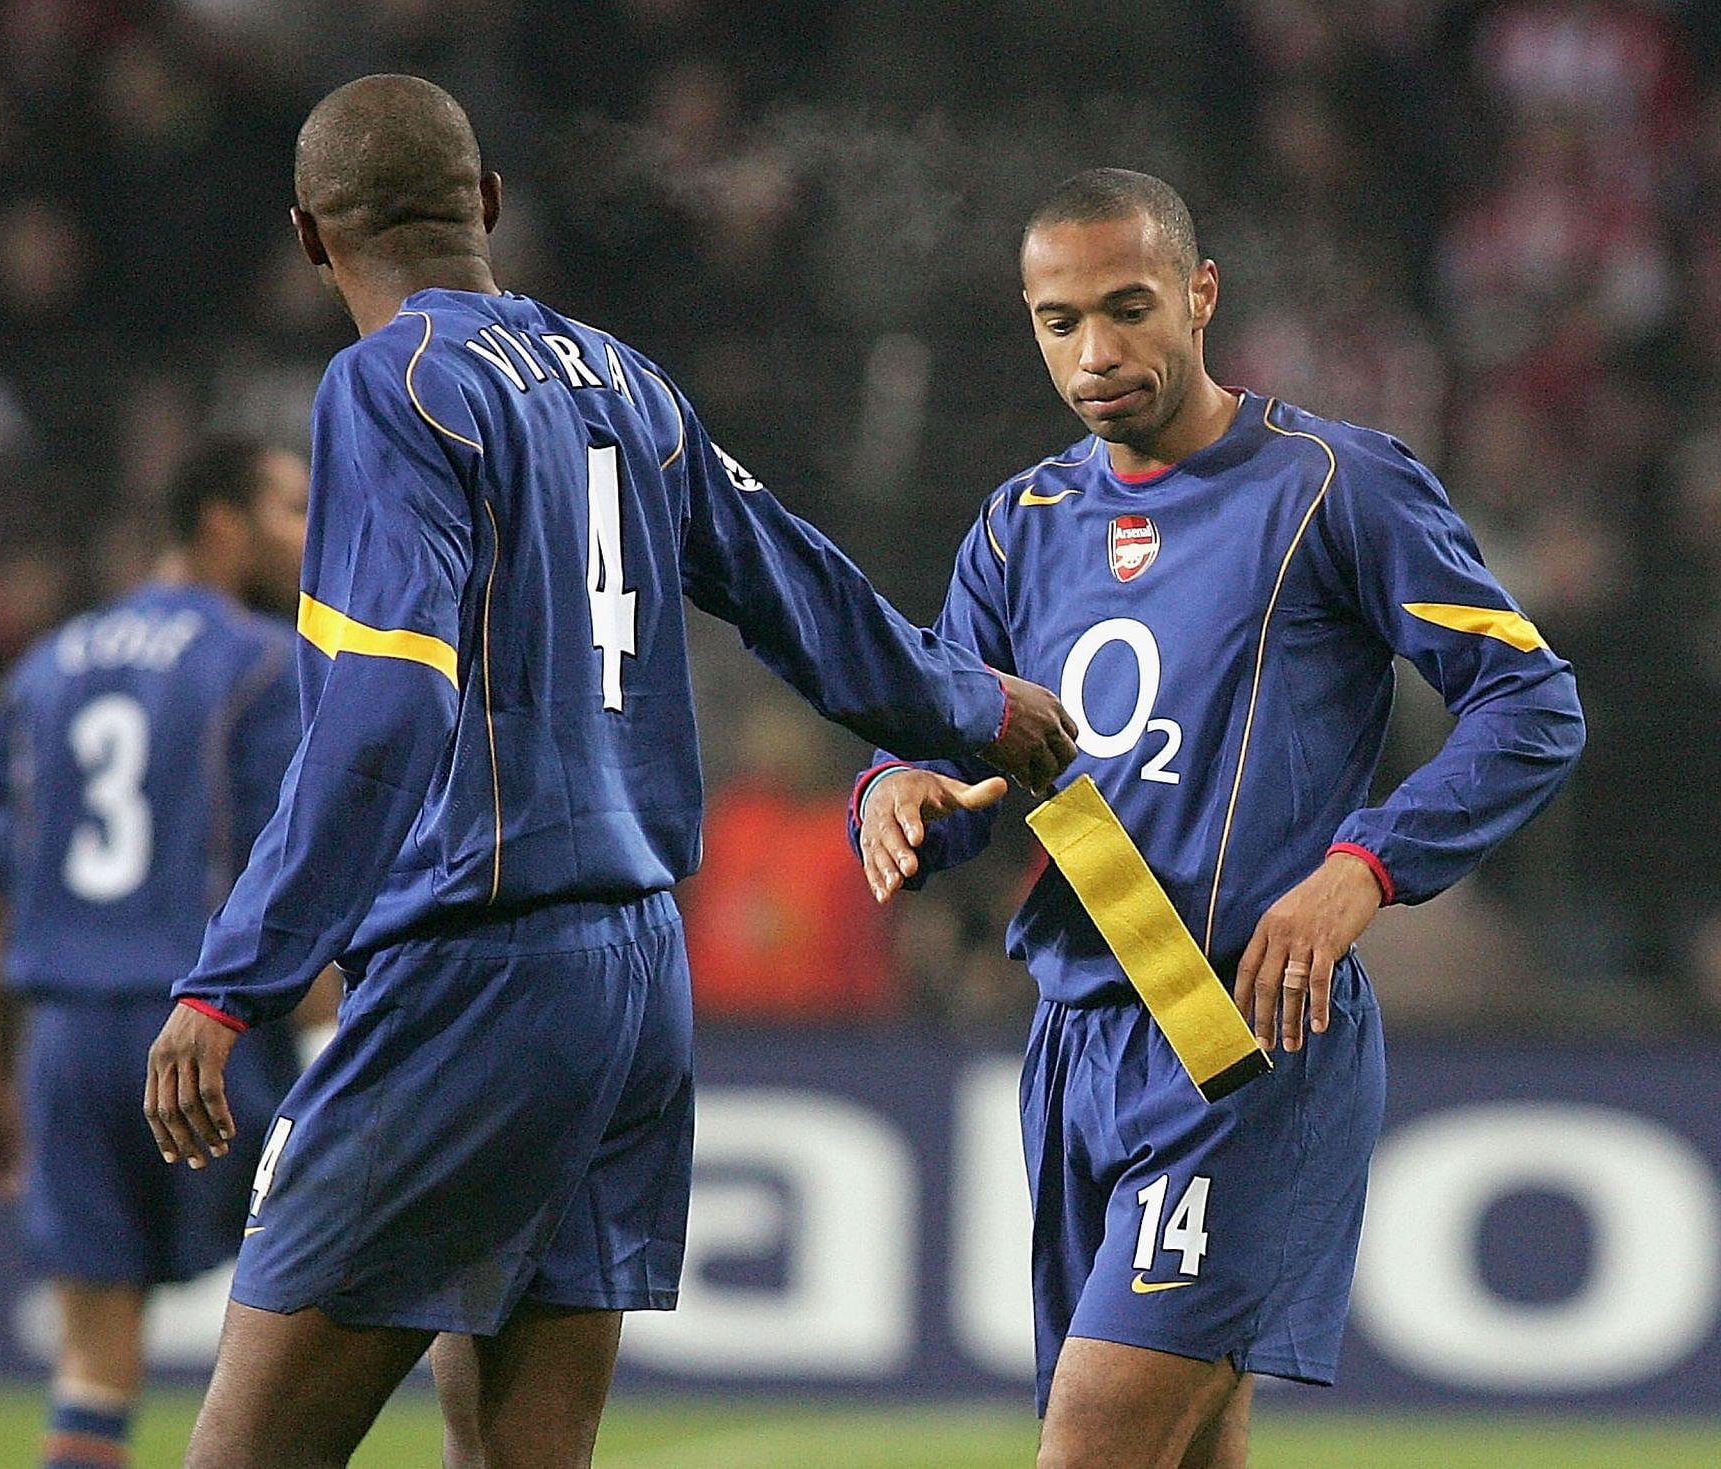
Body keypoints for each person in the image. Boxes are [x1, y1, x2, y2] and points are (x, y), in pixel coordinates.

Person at [140, 74, 1076, 1469]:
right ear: (492, 207)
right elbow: (797, 590)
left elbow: (386, 716)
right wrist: (967, 700)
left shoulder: (388, 386)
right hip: (636, 980)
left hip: (474, 975)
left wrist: (239, 974)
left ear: (307, 238)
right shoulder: (622, 377)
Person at [851, 169, 1586, 1469]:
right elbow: (948, 758)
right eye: (1060, 321)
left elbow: (1530, 706)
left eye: (1129, 307)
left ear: (1201, 295)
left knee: (1092, 1449)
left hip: (1236, 1026)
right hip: (1076, 1031)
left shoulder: (1333, 484)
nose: (1097, 352)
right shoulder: (1020, 528)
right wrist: (895, 795)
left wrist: (1362, 869)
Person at [0, 437, 335, 1469]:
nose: (309, 536)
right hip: (207, 1035)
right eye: (292, 511)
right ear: (223, 521)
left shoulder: (41, 670)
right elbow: (302, 860)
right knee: (303, 1356)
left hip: (69, 1038)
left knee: (92, 1363)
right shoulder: (265, 664)